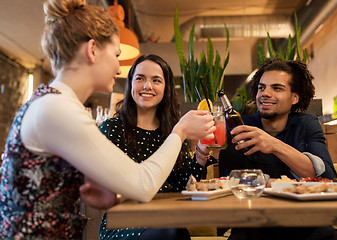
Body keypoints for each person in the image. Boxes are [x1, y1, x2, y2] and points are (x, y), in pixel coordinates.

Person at [0, 0, 215, 239]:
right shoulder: (56, 108)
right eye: (116, 54)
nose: (118, 65)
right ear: (92, 50)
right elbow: (143, 185)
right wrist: (180, 132)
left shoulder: (56, 104)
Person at [207, 57, 337, 239]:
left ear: (295, 97)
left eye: (277, 88)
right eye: (261, 88)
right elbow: (233, 181)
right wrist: (295, 183)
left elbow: (326, 176)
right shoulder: (239, 125)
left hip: (308, 227)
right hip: (254, 229)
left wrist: (274, 145)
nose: (265, 93)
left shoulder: (307, 123)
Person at [98, 54, 211, 240]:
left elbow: (184, 185)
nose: (147, 86)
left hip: (165, 218)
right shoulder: (112, 128)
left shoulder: (173, 131)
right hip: (124, 222)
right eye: (140, 78)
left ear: (166, 88)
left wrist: (202, 152)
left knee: (175, 231)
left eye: (156, 80)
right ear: (131, 84)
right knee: (173, 233)